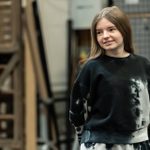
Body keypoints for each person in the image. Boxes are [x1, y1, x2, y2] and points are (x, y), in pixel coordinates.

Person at [69, 5, 150, 150]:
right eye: (99, 32)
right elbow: (76, 108)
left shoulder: (143, 65)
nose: (105, 36)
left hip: (139, 142)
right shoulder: (91, 68)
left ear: (124, 30)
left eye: (111, 29)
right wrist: (83, 138)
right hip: (99, 143)